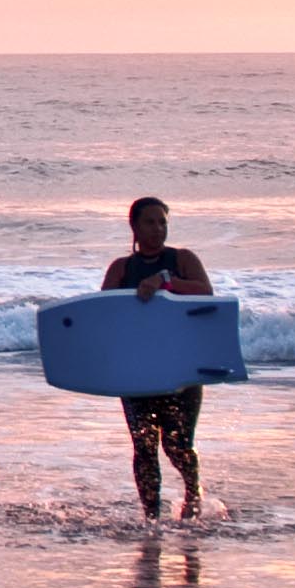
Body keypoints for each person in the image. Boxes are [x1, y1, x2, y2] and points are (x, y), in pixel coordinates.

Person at [100, 196, 214, 519]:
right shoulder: (122, 269)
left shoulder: (183, 260)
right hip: (136, 371)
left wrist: (165, 283)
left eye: (162, 222)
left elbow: (206, 294)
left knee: (177, 445)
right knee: (144, 447)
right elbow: (104, 314)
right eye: (150, 222)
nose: (157, 229)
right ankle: (151, 516)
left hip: (181, 368)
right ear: (134, 227)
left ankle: (193, 494)